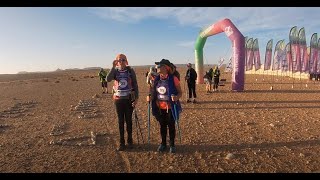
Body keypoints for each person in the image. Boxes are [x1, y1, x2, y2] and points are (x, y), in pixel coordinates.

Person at [147, 59, 182, 153]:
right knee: (162, 126)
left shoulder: (173, 78)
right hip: (159, 108)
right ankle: (163, 144)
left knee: (171, 126)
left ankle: (172, 145)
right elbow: (153, 91)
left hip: (170, 108)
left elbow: (180, 92)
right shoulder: (156, 79)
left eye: (159, 66)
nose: (157, 67)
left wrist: (176, 97)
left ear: (166, 68)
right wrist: (150, 97)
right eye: (157, 66)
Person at [107, 53, 139, 151]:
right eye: (119, 60)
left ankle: (130, 140)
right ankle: (122, 142)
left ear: (126, 61)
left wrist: (136, 98)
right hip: (118, 100)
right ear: (116, 61)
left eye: (123, 59)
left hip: (129, 99)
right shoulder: (115, 71)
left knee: (129, 120)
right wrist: (112, 67)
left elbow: (135, 84)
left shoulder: (130, 70)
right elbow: (108, 79)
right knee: (120, 121)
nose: (121, 62)